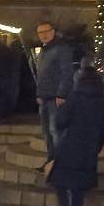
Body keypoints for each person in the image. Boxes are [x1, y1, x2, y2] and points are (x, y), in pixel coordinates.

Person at [47, 62, 104, 206]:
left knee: (60, 184)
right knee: (78, 190)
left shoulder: (74, 97)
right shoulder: (103, 102)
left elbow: (60, 122)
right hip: (88, 151)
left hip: (69, 148)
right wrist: (96, 147)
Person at [35, 21, 73, 165]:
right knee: (46, 133)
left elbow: (66, 73)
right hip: (44, 98)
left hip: (55, 98)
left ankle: (60, 162)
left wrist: (62, 94)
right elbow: (41, 75)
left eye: (46, 31)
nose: (43, 35)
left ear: (53, 32)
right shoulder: (44, 51)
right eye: (40, 32)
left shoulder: (61, 49)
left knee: (55, 131)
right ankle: (51, 160)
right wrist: (38, 93)